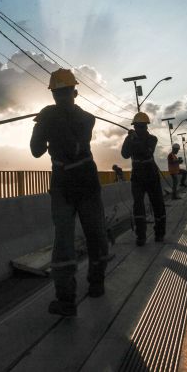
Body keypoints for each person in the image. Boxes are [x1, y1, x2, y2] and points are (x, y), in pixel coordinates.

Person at [30, 68, 110, 317]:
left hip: (64, 183)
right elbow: (72, 136)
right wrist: (46, 120)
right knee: (95, 233)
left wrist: (42, 123)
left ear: (54, 94)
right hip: (85, 181)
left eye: (59, 93)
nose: (62, 97)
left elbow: (36, 151)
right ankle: (96, 284)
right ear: (75, 92)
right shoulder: (87, 118)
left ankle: (66, 299)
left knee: (64, 240)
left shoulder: (57, 118)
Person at [121, 112, 166, 246]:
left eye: (141, 126)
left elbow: (146, 151)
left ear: (146, 126)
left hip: (151, 175)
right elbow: (125, 154)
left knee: (158, 204)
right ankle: (141, 236)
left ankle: (159, 234)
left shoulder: (152, 139)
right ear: (134, 127)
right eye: (137, 126)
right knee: (138, 207)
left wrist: (134, 140)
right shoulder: (130, 138)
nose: (138, 129)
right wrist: (129, 139)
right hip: (137, 177)